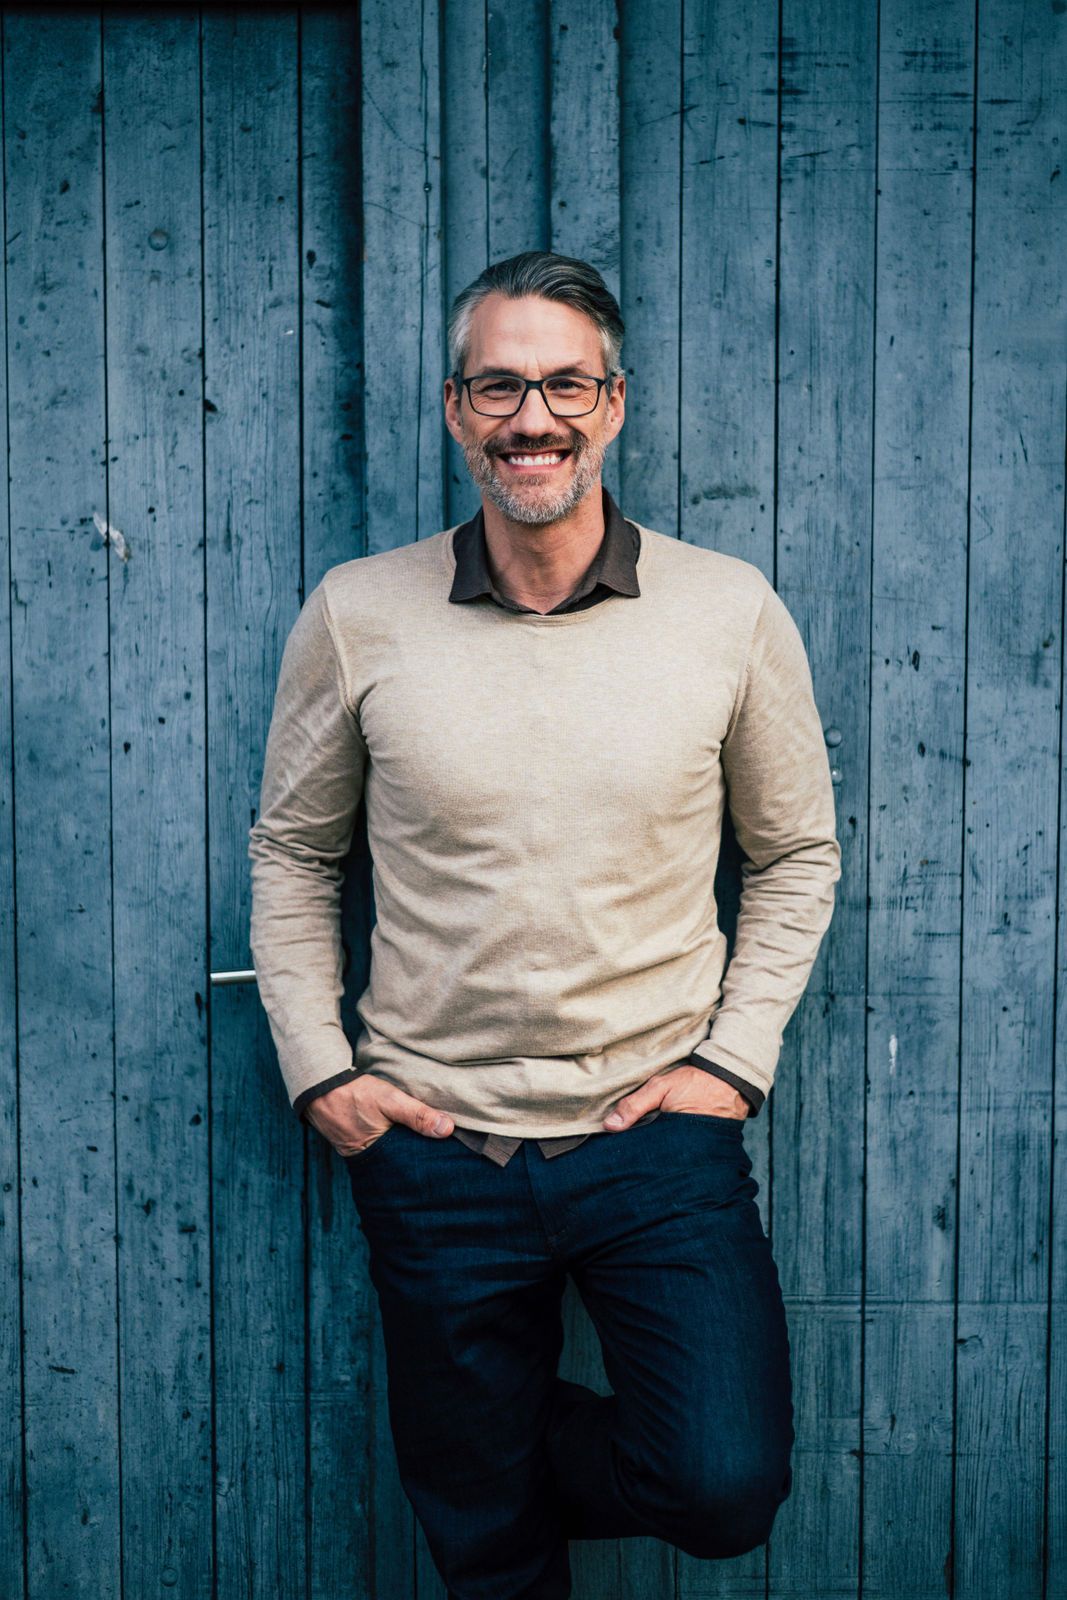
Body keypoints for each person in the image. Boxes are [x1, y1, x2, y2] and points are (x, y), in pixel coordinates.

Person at [248, 249, 841, 1598]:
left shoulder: (727, 609)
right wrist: (323, 1075)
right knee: (492, 1556)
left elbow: (796, 852)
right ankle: (478, 1480)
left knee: (720, 1481)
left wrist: (732, 1063)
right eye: (501, 386)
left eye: (567, 384)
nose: (535, 417)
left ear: (614, 403)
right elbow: (294, 852)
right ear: (457, 408)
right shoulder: (358, 612)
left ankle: (479, 1462)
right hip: (432, 1143)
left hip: (656, 1142)